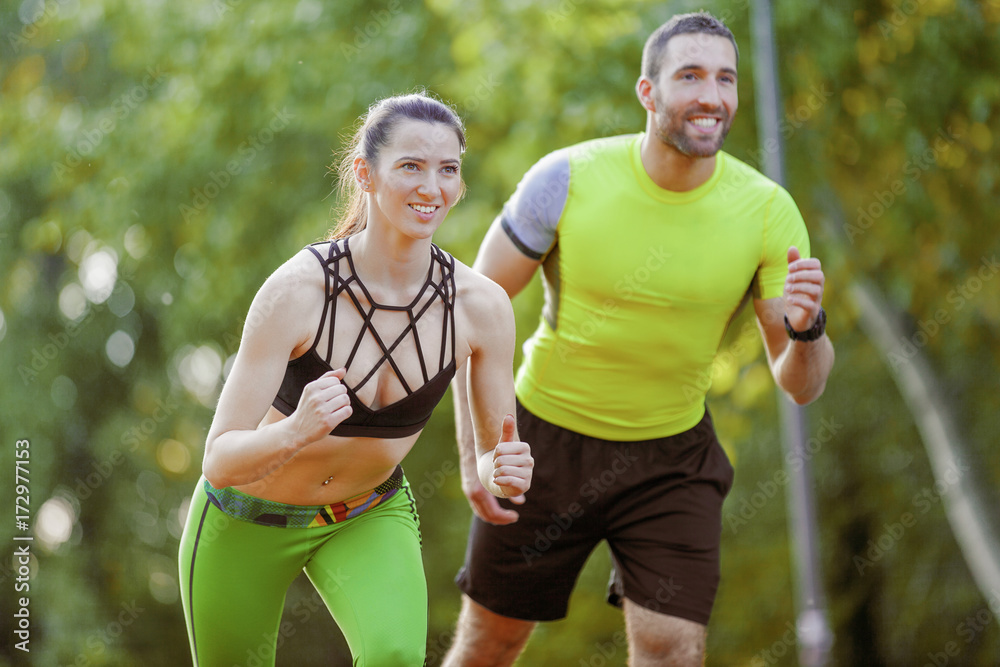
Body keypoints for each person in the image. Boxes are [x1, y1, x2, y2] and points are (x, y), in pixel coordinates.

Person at [443, 12, 834, 667]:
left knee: (673, 647)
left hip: (670, 460)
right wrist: (476, 453)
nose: (711, 94)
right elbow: (468, 316)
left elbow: (801, 383)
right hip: (539, 442)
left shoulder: (768, 210)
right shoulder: (565, 180)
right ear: (648, 93)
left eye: (725, 78)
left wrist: (808, 328)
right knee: (491, 642)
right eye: (690, 76)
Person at [177, 92, 533, 667]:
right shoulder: (297, 292)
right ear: (366, 176)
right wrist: (296, 430)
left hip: (365, 514)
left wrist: (505, 471)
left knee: (394, 654)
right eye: (411, 166)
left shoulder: (480, 307)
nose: (431, 187)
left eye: (448, 170)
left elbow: (496, 452)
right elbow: (218, 460)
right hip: (244, 518)